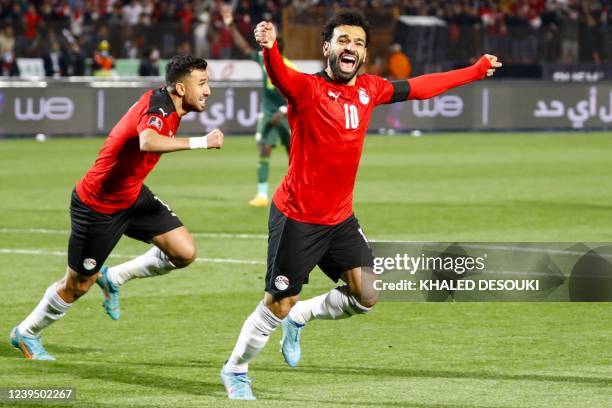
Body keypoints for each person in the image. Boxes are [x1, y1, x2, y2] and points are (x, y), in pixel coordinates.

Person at [220, 10, 501, 400]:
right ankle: (236, 369)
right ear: (327, 48)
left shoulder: (371, 89)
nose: (349, 47)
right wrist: (270, 49)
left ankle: (302, 318)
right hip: (297, 217)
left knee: (366, 296)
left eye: (357, 43)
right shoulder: (307, 89)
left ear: (364, 54)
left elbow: (419, 87)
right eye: (342, 41)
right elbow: (282, 76)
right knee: (279, 302)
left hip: (339, 219)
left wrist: (473, 70)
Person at [10, 55, 224, 360]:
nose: (208, 91)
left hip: (133, 197)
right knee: (77, 285)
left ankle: (114, 278)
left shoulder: (166, 103)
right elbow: (148, 141)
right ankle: (26, 333)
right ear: (179, 87)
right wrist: (203, 142)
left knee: (183, 252)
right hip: (98, 206)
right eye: (201, 83)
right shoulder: (159, 108)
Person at [221, 5, 294, 207]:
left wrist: (282, 111)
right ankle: (262, 195)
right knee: (264, 150)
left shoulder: (290, 69)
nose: (267, 48)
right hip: (269, 113)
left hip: (286, 115)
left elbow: (296, 97)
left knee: (294, 155)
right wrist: (230, 26)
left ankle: (299, 191)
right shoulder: (264, 60)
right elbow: (244, 49)